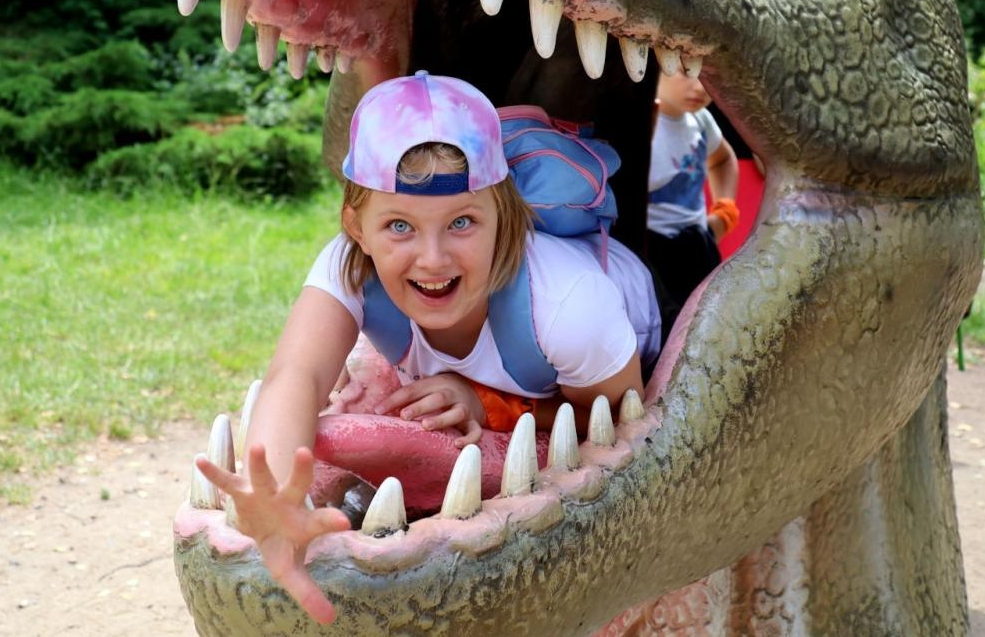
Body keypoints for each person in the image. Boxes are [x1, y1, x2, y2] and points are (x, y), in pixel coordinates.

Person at [197, 71, 657, 623]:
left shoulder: (571, 308)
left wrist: (490, 404)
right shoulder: (347, 265)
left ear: (504, 218)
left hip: (632, 325)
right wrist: (275, 500)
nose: (433, 259)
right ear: (357, 229)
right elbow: (295, 375)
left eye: (462, 221)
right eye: (399, 226)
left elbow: (610, 423)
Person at [646, 71, 738, 336]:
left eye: (705, 73)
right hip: (653, 253)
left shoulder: (701, 120)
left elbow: (722, 159)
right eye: (686, 72)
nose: (700, 86)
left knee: (709, 326)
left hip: (698, 246)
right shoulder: (646, 122)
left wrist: (725, 211)